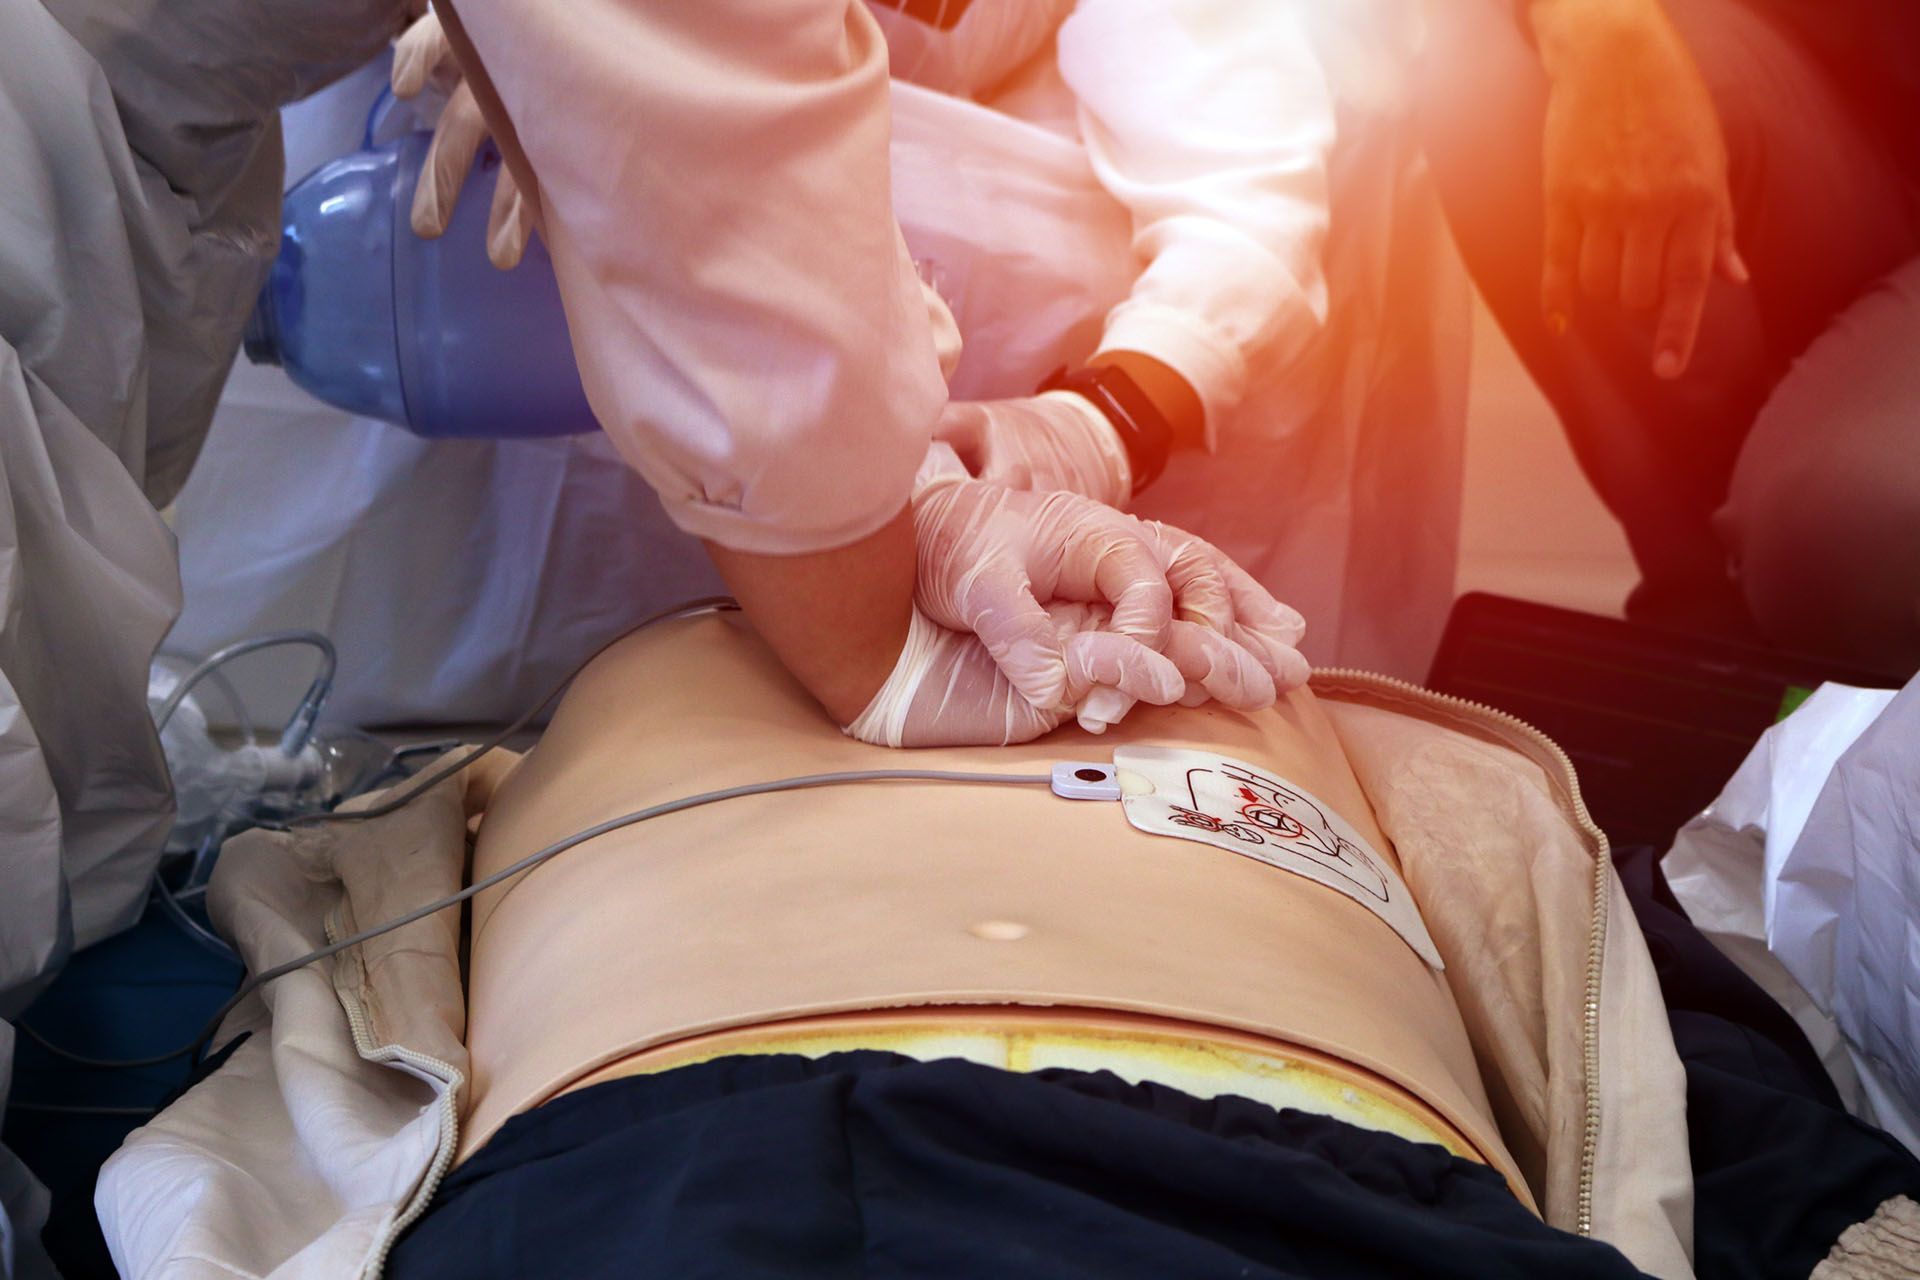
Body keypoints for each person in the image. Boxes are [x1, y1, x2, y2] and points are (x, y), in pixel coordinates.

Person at [164, 0, 1467, 735]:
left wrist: (1100, 419)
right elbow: (701, 116)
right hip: (282, 272)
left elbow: (1245, 192)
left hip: (761, 474)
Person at [1418, 0, 1920, 675]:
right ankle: (1706, 624)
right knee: (1493, 72)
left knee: (1842, 531)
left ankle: (1779, 603)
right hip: (1847, 121)